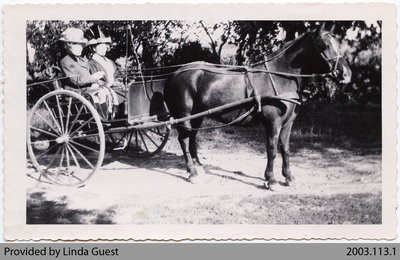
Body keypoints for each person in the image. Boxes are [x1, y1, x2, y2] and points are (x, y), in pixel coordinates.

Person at [58, 27, 112, 119]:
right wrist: (93, 78)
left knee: (104, 91)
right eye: (76, 44)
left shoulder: (83, 60)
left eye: (81, 45)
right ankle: (99, 119)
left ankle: (105, 118)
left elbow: (87, 77)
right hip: (75, 93)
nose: (80, 47)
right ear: (68, 45)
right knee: (98, 94)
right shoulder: (65, 61)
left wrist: (101, 83)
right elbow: (76, 81)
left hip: (86, 90)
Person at [85, 25, 122, 118]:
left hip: (114, 87)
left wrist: (118, 82)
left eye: (105, 45)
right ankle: (109, 117)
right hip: (102, 89)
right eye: (101, 46)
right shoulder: (90, 64)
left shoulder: (110, 62)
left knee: (127, 91)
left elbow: (117, 75)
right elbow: (92, 80)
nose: (105, 48)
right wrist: (106, 84)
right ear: (94, 48)